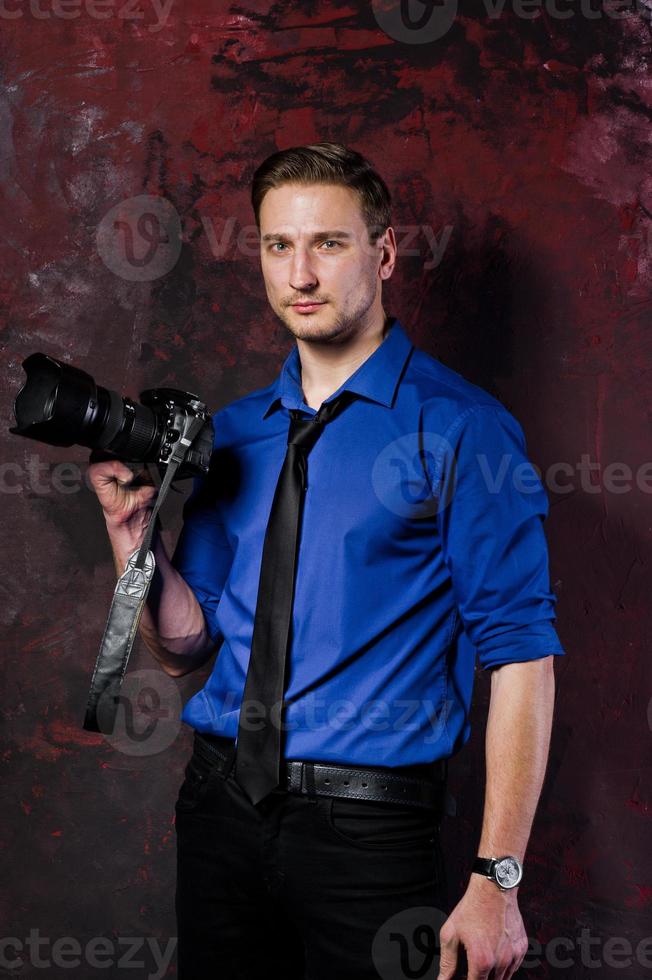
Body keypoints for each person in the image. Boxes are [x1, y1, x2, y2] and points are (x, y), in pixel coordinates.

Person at [88, 142, 565, 980]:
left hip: (370, 831)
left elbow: (522, 657)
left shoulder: (460, 429)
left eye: (328, 244)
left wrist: (498, 881)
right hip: (218, 809)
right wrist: (137, 545)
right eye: (279, 246)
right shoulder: (232, 432)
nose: (300, 274)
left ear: (381, 253)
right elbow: (189, 647)